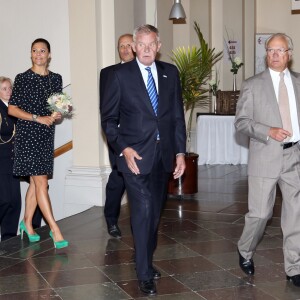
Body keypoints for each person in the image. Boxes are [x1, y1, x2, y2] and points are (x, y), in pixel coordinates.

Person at [101, 24, 186, 296]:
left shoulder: (170, 73)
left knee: (154, 215)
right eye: (142, 44)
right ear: (134, 47)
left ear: (158, 46)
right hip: (134, 157)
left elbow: (176, 117)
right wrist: (123, 148)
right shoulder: (119, 76)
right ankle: (144, 273)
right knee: (142, 211)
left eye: (152, 44)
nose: (147, 49)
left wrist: (180, 153)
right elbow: (109, 120)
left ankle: (146, 260)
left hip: (163, 158)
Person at [235, 33, 300, 287]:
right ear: (266, 54)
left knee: (295, 214)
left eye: (280, 50)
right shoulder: (253, 84)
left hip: (294, 156)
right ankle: (245, 249)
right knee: (260, 214)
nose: (275, 55)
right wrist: (268, 131)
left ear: (289, 54)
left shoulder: (298, 83)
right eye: (271, 50)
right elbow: (241, 122)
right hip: (265, 156)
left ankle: (294, 267)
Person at [8, 38, 68, 249]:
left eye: (43, 51)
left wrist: (56, 115)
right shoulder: (23, 78)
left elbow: (58, 107)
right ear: (31, 54)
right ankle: (55, 228)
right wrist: (37, 117)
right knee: (41, 182)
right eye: (35, 51)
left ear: (49, 55)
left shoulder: (56, 79)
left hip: (45, 136)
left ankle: (26, 223)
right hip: (28, 135)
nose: (39, 54)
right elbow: (12, 109)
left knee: (36, 183)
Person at [100, 34, 135, 238]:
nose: (124, 49)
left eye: (128, 45)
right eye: (121, 46)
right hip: (118, 136)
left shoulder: (146, 71)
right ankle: (111, 219)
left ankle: (141, 223)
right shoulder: (107, 73)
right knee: (119, 177)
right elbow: (105, 108)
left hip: (142, 136)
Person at [0, 76, 21, 241]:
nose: (8, 91)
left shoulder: (15, 108)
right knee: (5, 200)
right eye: (4, 88)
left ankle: (9, 239)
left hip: (14, 159)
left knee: (15, 201)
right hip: (1, 160)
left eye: (10, 88)